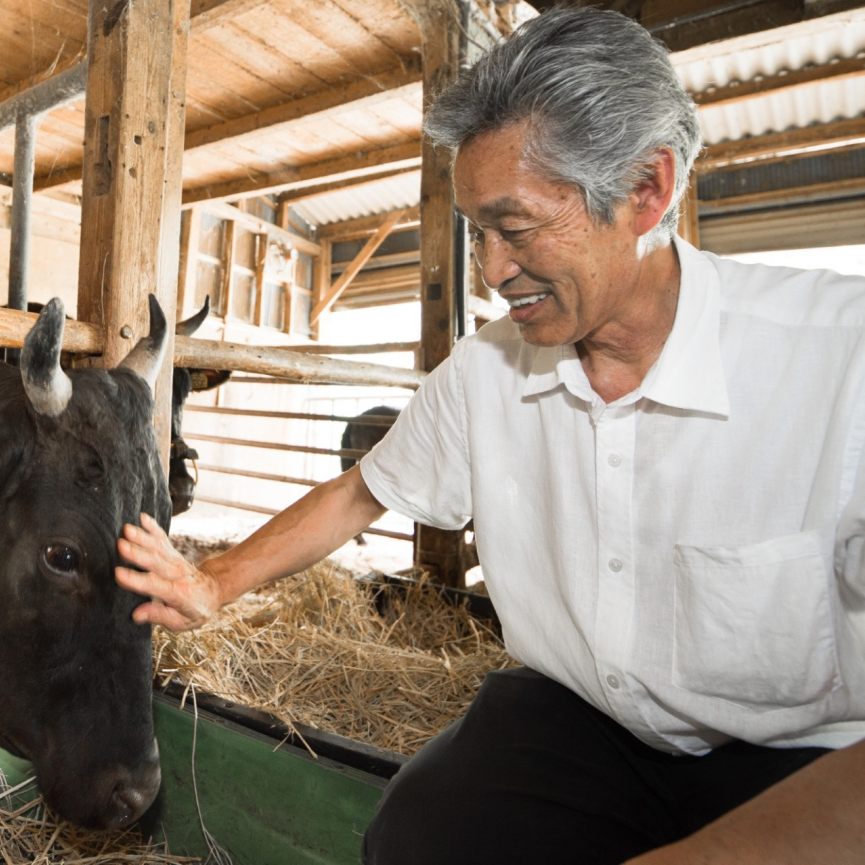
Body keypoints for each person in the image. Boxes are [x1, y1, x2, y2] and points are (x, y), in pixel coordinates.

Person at [116, 8, 865, 865]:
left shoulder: (842, 363)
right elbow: (363, 491)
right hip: (585, 714)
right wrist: (215, 580)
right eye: (477, 232)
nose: (493, 271)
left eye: (516, 226)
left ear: (645, 191)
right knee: (415, 837)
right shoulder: (486, 373)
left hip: (799, 750)